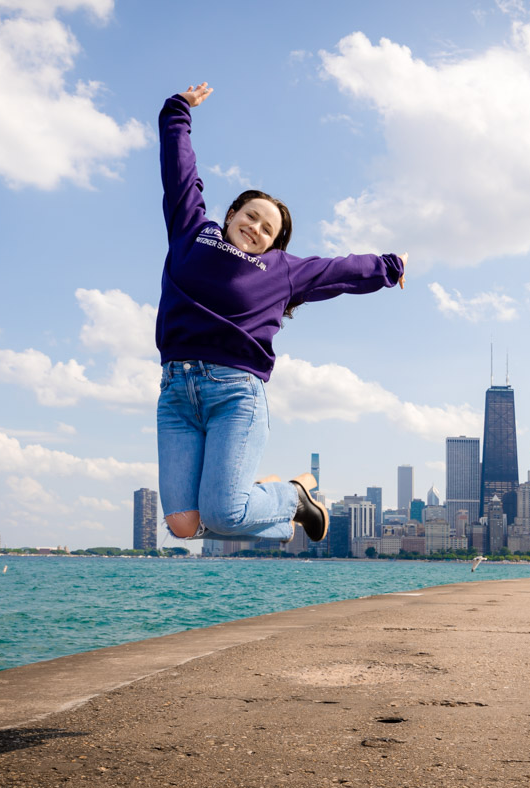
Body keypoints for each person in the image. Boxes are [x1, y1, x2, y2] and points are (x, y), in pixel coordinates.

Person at [156, 82, 406, 546]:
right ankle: (283, 507)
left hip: (234, 394)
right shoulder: (192, 231)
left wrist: (389, 267)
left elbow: (340, 270)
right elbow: (179, 172)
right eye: (250, 217)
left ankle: (290, 497)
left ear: (274, 243)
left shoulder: (281, 271)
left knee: (225, 513)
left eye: (267, 229)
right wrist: (177, 111)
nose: (255, 229)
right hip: (175, 392)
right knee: (184, 526)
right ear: (231, 214)